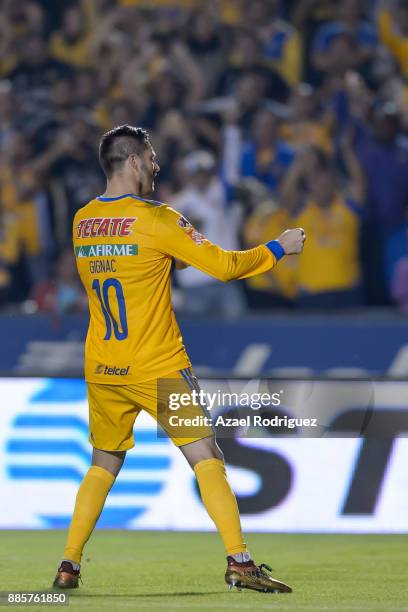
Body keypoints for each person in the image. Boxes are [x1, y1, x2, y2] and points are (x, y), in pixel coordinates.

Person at [52, 124, 305, 593]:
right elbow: (226, 267)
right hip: (158, 365)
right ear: (132, 161)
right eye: (150, 157)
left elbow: (131, 263)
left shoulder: (82, 220)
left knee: (103, 462)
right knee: (206, 455)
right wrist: (278, 248)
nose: (155, 165)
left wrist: (170, 254)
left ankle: (68, 565)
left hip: (104, 366)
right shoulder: (157, 218)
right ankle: (240, 562)